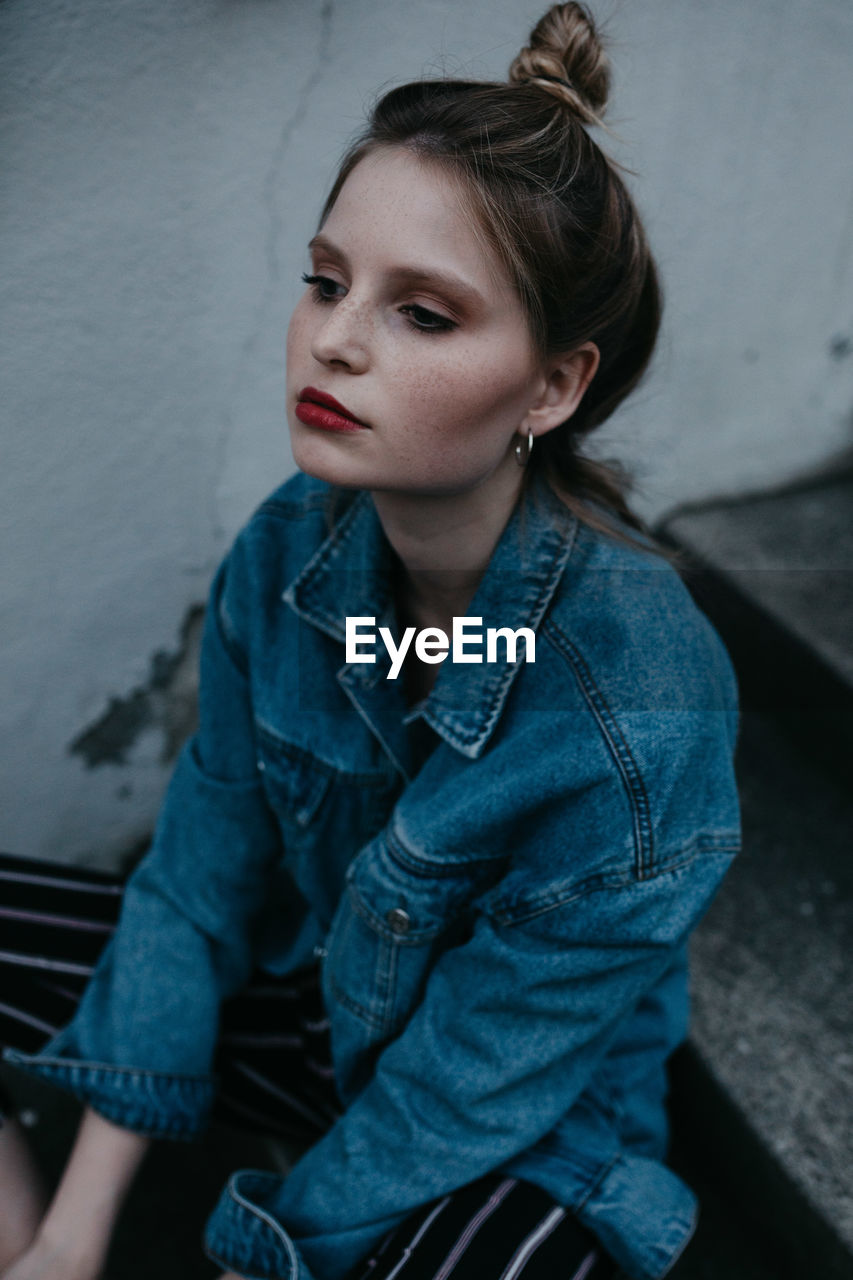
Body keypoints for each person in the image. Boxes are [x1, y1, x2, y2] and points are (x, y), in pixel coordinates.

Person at [0, 5, 741, 1279]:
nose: (334, 338)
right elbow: (198, 877)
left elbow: (462, 1088)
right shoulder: (290, 551)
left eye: (425, 314)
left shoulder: (641, 700)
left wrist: (257, 1246)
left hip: (517, 1126)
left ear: (554, 386)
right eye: (326, 279)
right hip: (315, 1004)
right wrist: (70, 1241)